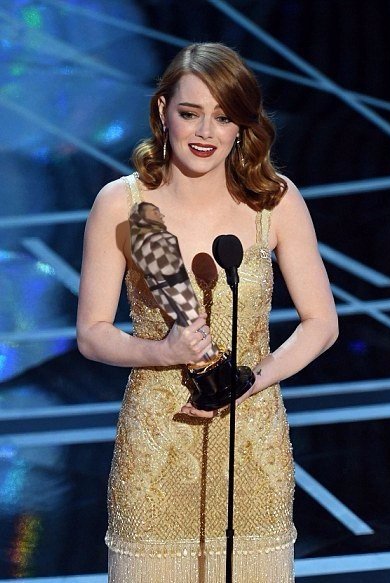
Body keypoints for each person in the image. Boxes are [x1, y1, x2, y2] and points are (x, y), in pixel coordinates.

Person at [76, 42, 338, 583]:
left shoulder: (275, 201)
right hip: (157, 444)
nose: (205, 132)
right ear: (162, 111)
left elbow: (321, 324)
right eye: (190, 113)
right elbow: (92, 333)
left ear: (241, 125)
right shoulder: (120, 204)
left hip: (252, 443)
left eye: (223, 117)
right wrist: (163, 351)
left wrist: (253, 380)